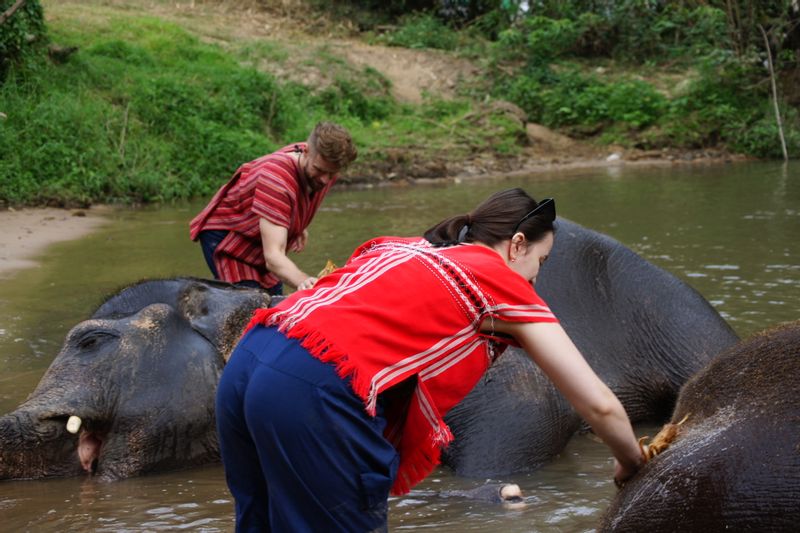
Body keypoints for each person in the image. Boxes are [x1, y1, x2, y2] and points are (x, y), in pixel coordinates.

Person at [215, 188, 645, 532]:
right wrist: (631, 461)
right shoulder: (500, 283)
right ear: (517, 245)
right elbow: (598, 404)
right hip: (310, 386)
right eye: (541, 261)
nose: (536, 277)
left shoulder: (408, 249)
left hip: (249, 360)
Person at [189, 122, 357, 295]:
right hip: (229, 238)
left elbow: (297, 196)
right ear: (306, 152)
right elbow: (273, 257)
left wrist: (298, 224)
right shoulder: (276, 180)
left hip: (260, 237)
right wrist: (306, 282)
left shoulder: (319, 160)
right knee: (250, 305)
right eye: (320, 170)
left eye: (332, 173)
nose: (325, 179)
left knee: (275, 298)